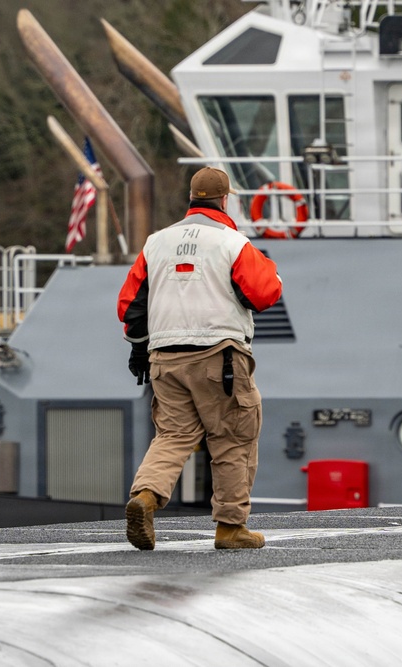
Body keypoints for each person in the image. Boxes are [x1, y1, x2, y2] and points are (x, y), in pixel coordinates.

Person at [117, 166, 282, 550]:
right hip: (219, 359)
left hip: (164, 359)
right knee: (233, 438)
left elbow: (130, 305)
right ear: (225, 200)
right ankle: (230, 529)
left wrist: (139, 347)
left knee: (173, 436)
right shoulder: (232, 242)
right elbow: (265, 292)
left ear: (191, 198)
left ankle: (145, 497)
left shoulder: (155, 243)